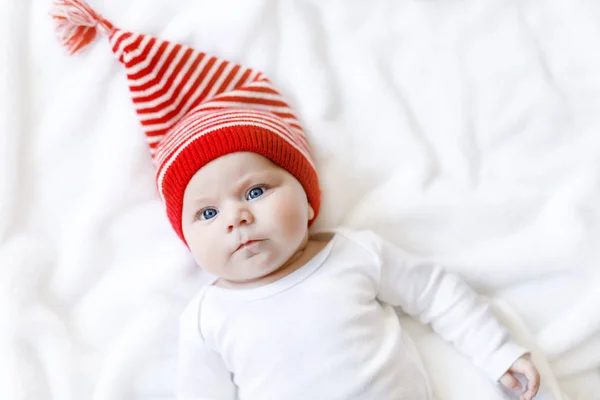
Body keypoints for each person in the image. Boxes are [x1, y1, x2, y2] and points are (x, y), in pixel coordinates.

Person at [51, 1, 541, 399]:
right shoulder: (208, 320)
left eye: (256, 191)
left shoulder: (352, 253)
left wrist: (498, 352)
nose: (237, 216)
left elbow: (436, 293)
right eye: (206, 212)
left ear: (308, 201)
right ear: (187, 242)